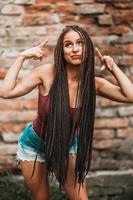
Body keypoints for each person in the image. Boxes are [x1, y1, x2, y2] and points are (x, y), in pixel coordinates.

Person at [0, 25, 133, 200]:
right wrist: (22, 57)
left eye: (80, 43)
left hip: (66, 145)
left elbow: (130, 96)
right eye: (68, 44)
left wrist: (113, 67)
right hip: (34, 145)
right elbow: (6, 92)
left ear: (88, 48)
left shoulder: (93, 84)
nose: (75, 49)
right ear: (61, 51)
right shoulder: (47, 73)